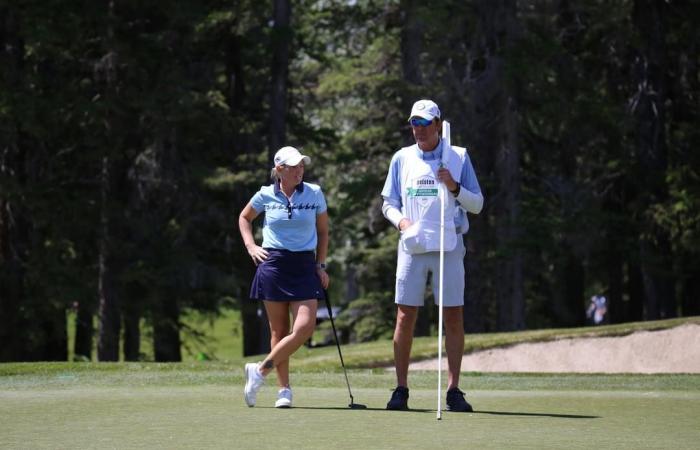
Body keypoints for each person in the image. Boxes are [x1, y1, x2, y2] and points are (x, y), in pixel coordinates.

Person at [381, 99, 484, 412]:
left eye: (425, 123)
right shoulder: (402, 158)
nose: (419, 129)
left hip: (449, 245)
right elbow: (388, 203)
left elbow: (477, 204)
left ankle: (453, 390)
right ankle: (401, 388)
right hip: (413, 245)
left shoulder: (458, 157)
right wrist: (402, 222)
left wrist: (453, 187)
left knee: (452, 315)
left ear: (439, 124)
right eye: (415, 123)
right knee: (405, 315)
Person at [238, 146, 330, 408]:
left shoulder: (314, 193)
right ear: (279, 170)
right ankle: (284, 391)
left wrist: (321, 265)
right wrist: (251, 246)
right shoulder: (265, 195)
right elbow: (245, 218)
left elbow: (323, 232)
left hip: (304, 266)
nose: (300, 170)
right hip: (274, 265)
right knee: (278, 332)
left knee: (304, 327)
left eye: (302, 165)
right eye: (294, 166)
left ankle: (260, 371)